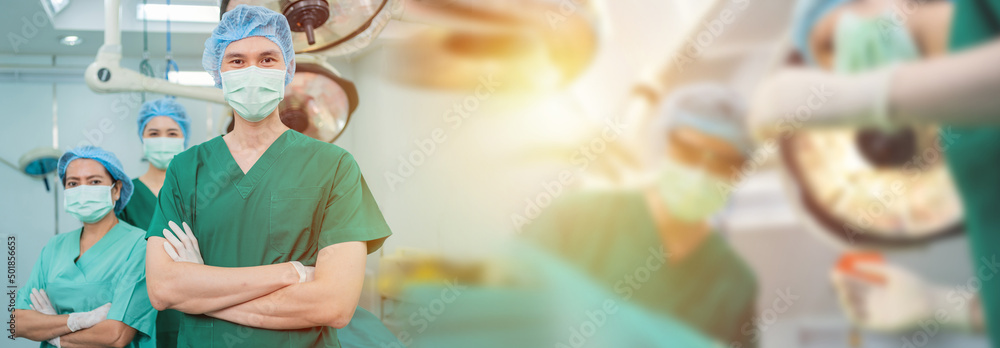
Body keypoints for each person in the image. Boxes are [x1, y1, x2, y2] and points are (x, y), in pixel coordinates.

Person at [750, 0, 1000, 342]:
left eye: (830, 44)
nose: (844, 71)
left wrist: (875, 95)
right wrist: (954, 308)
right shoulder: (966, 146)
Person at [143, 5, 392, 348]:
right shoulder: (187, 169)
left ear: (288, 67)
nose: (252, 71)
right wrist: (292, 273)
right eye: (237, 61)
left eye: (267, 59)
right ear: (219, 70)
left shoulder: (334, 166)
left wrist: (203, 293)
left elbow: (334, 305)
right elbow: (164, 289)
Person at [524, 84, 759, 347]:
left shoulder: (734, 283)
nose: (700, 174)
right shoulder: (573, 219)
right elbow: (498, 312)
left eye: (721, 163)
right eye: (688, 153)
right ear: (662, 144)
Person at [13, 146, 157, 347]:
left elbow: (115, 335)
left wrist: (51, 333)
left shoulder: (139, 246)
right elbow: (18, 322)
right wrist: (75, 321)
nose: (83, 190)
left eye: (94, 181)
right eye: (73, 183)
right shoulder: (55, 247)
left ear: (116, 190)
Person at [118, 97, 189, 348]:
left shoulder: (198, 193)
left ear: (184, 137)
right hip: (138, 307)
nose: (163, 139)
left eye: (172, 132)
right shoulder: (126, 196)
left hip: (191, 305)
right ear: (142, 138)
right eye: (154, 132)